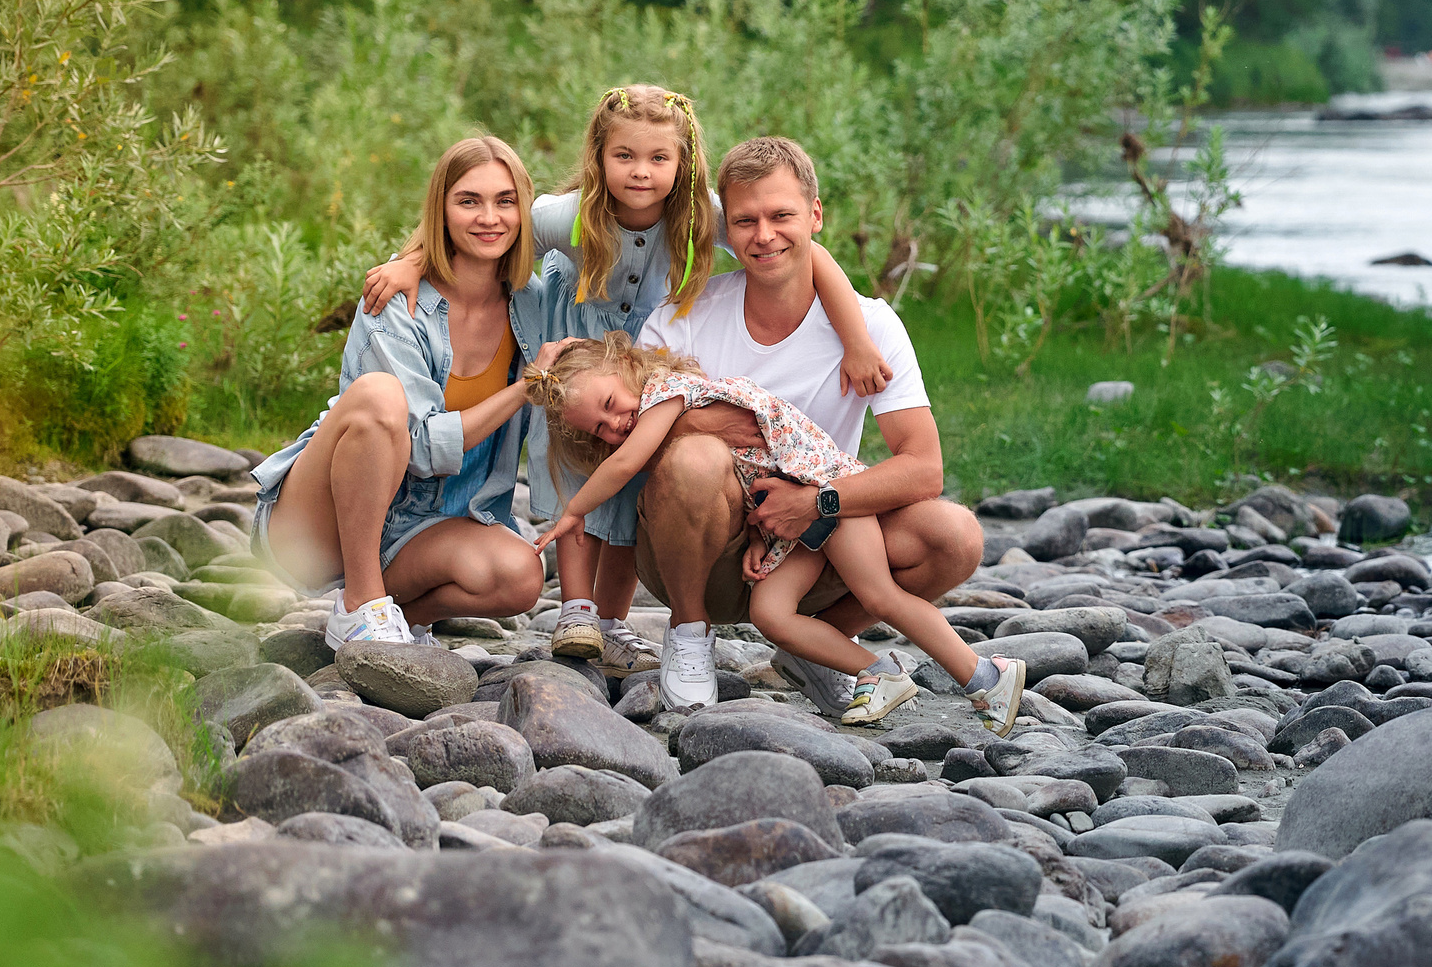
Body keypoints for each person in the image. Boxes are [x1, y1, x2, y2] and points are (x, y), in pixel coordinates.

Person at [356, 84, 890, 669]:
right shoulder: (572, 215)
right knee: (571, 465)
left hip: (645, 359)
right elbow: (495, 229)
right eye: (625, 156)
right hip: (579, 359)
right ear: (599, 157)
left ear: (684, 162)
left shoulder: (700, 213)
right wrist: (412, 260)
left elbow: (812, 253)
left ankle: (610, 620)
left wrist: (857, 341)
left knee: (633, 477)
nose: (641, 172)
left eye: (659, 158)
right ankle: (575, 609)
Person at [630, 136, 985, 715]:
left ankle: (817, 648)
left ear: (815, 215)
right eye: (745, 221)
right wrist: (697, 427)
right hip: (702, 552)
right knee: (694, 457)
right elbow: (626, 441)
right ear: (727, 229)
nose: (764, 235)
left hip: (810, 551)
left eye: (781, 216)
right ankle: (689, 632)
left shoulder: (869, 328)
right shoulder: (683, 318)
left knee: (956, 535)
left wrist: (816, 502)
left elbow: (923, 469)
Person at [524, 334, 1024, 730]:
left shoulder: (665, 390)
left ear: (623, 366)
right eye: (599, 429)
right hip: (788, 522)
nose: (615, 424)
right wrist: (760, 537)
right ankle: (877, 672)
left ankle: (985, 676)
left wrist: (574, 513)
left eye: (610, 403)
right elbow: (754, 472)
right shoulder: (650, 407)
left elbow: (624, 464)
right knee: (771, 613)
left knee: (880, 594)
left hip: (829, 496)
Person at [250, 136, 555, 645]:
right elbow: (423, 448)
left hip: (425, 527)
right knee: (379, 396)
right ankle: (361, 605)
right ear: (441, 210)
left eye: (505, 201)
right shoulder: (396, 296)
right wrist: (524, 389)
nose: (489, 218)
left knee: (521, 576)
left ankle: (395, 618)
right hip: (320, 524)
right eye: (468, 201)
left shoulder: (534, 304)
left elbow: (599, 226)